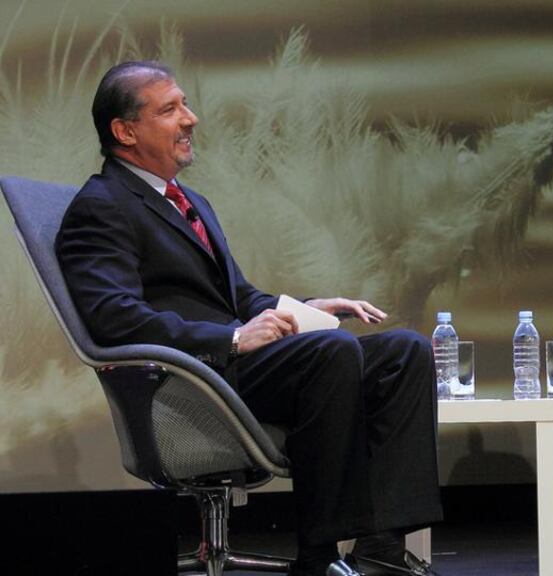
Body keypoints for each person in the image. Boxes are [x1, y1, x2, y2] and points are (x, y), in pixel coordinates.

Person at [56, 61, 442, 576]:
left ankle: (380, 545)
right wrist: (232, 339)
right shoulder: (101, 206)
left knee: (403, 352)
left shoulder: (189, 202)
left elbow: (239, 296)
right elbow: (114, 318)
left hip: (235, 363)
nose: (190, 118)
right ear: (125, 131)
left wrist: (302, 310)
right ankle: (319, 557)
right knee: (332, 352)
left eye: (186, 103)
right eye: (170, 109)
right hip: (190, 380)